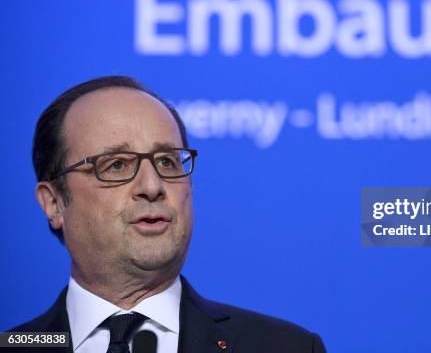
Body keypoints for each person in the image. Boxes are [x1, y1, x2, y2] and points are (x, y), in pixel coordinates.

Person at [10, 76, 326, 353]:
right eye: (117, 165)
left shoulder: (286, 347)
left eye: (167, 162)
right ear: (53, 202)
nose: (152, 185)